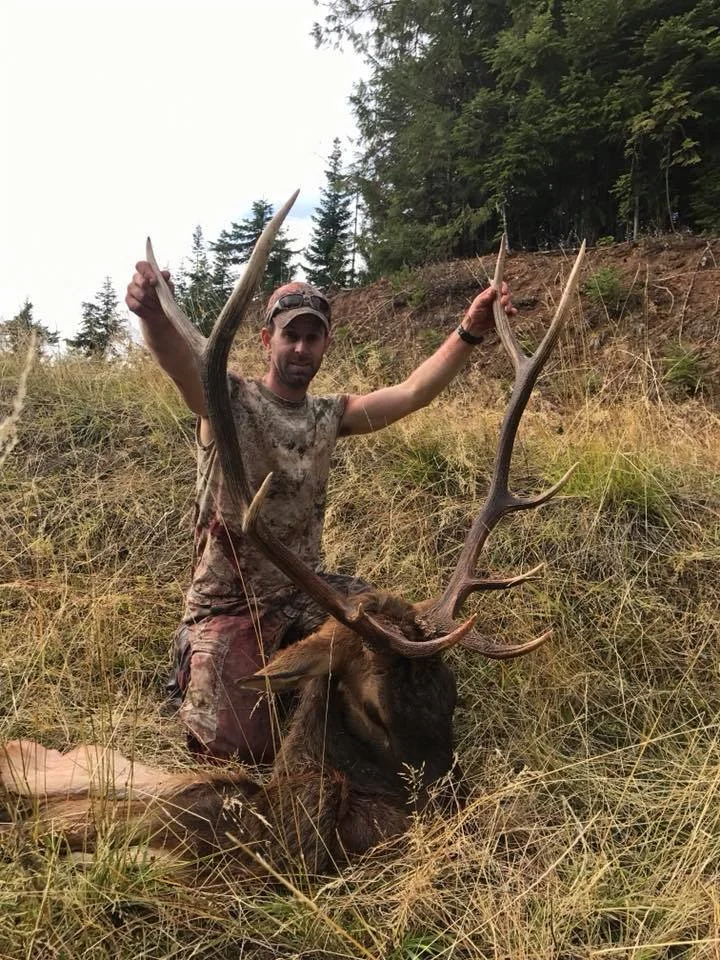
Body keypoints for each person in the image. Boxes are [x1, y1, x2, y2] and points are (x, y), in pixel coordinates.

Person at [126, 267, 516, 763]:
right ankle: (192, 666)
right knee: (238, 751)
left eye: (312, 338)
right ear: (268, 338)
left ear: (325, 344)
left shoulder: (330, 415)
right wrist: (153, 316)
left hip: (307, 594)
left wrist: (469, 330)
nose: (300, 349)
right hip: (229, 605)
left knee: (399, 647)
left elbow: (413, 392)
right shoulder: (226, 400)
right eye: (290, 335)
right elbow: (181, 364)